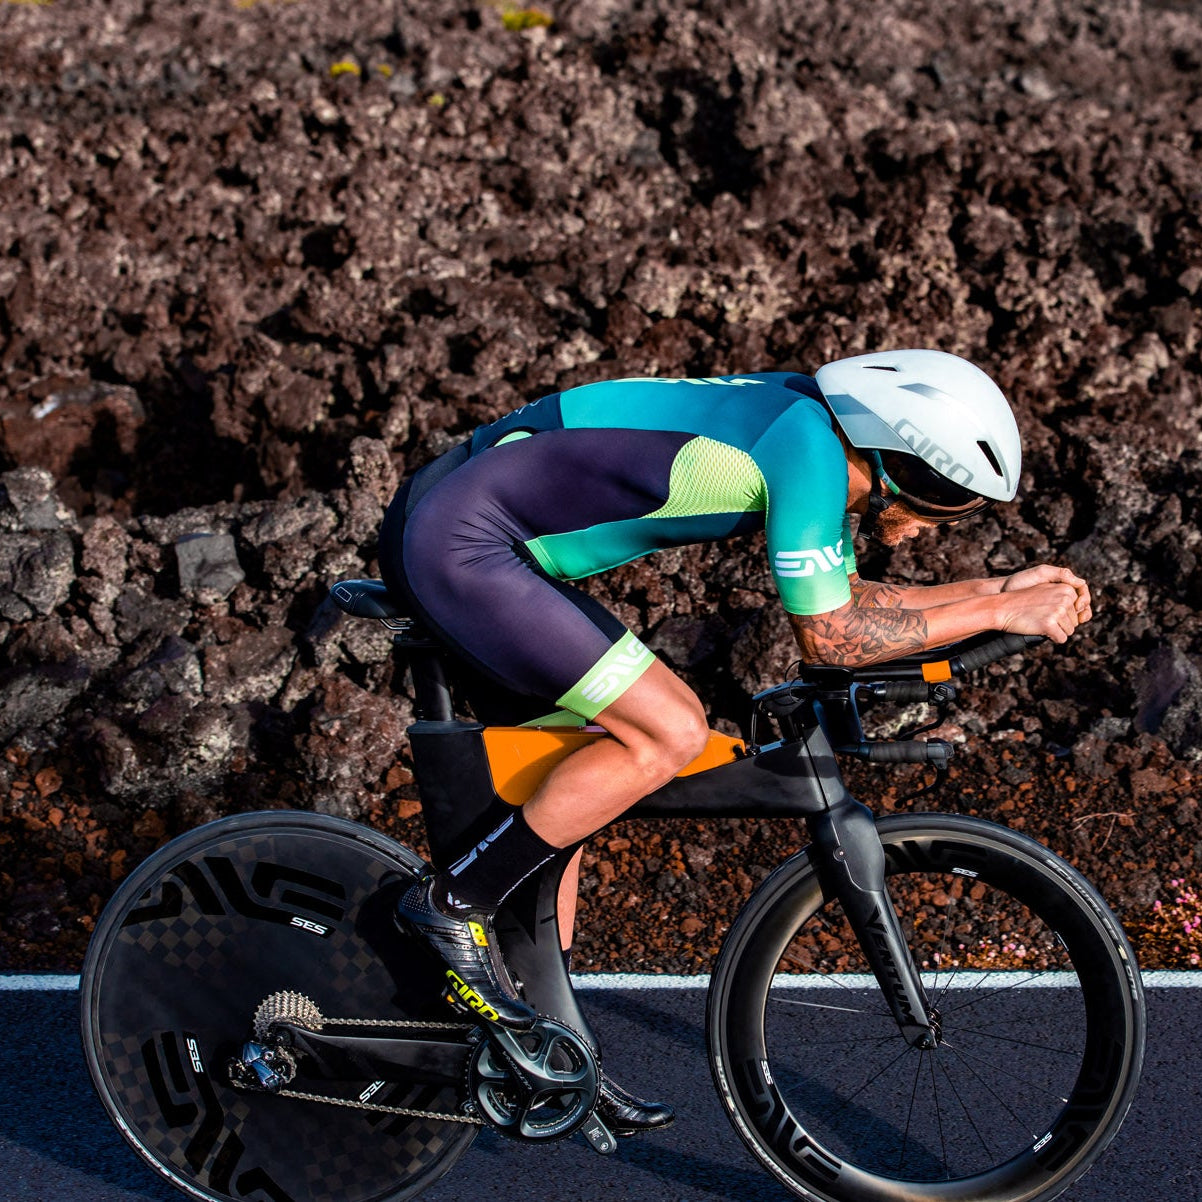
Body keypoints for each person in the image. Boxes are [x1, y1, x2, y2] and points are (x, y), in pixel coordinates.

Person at [380, 349, 1091, 1134]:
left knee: (577, 783)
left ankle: (547, 1045)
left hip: (473, 527)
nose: (935, 520)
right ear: (891, 452)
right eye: (942, 495)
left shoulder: (807, 426)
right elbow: (835, 637)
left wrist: (996, 591)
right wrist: (996, 612)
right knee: (672, 730)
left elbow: (847, 597)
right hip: (463, 541)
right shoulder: (809, 451)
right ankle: (450, 904)